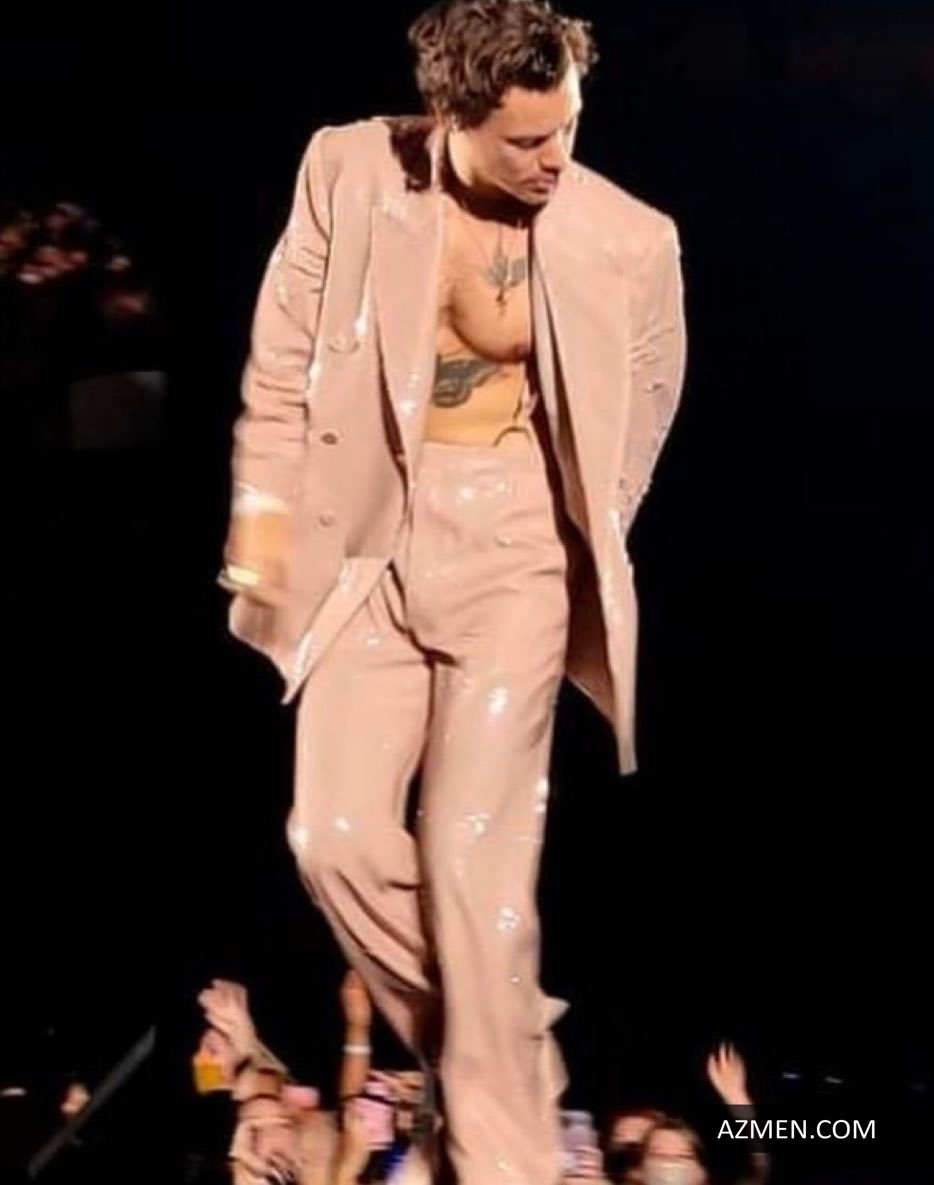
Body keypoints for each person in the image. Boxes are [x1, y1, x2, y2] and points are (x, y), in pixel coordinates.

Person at [221, 2, 687, 1181]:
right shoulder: (347, 170)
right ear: (450, 115)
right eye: (526, 139)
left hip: (515, 546)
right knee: (332, 839)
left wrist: (577, 534)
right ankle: (505, 1047)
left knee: (477, 874)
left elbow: (643, 403)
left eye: (566, 127)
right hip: (368, 543)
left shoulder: (629, 238)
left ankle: (503, 1158)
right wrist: (262, 537)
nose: (555, 158)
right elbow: (280, 366)